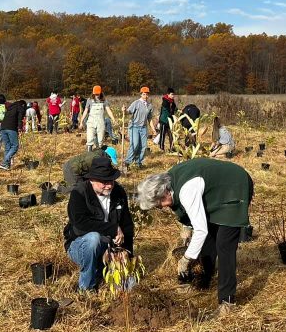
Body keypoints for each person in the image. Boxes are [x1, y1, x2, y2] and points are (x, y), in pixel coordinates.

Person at [137, 158, 253, 310]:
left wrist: (186, 259)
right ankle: (204, 280)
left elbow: (200, 230)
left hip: (234, 186)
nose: (161, 208)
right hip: (217, 191)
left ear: (164, 192)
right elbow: (195, 218)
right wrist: (186, 225)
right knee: (209, 238)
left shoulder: (186, 190)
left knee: (224, 245)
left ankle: (227, 301)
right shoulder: (169, 180)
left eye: (159, 204)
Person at [63, 154, 135, 291]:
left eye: (111, 181)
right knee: (93, 238)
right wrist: (112, 228)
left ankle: (104, 268)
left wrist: (127, 253)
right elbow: (80, 225)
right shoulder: (79, 194)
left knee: (128, 286)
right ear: (91, 180)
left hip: (108, 246)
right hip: (80, 245)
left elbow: (127, 224)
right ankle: (86, 288)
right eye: (104, 182)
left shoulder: (118, 192)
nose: (109, 186)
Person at [125, 87, 156, 169]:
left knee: (143, 146)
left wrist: (153, 129)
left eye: (147, 94)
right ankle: (128, 162)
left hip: (143, 128)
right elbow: (128, 112)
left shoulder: (149, 106)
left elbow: (149, 119)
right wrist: (124, 110)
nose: (145, 96)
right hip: (134, 126)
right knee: (135, 145)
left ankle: (138, 162)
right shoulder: (136, 103)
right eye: (144, 94)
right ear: (141, 94)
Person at [82, 85, 116, 150]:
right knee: (90, 138)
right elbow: (85, 111)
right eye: (95, 94)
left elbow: (108, 110)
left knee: (100, 140)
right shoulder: (89, 100)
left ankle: (99, 151)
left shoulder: (104, 101)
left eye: (98, 94)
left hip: (100, 122)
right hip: (91, 122)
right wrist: (81, 121)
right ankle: (89, 153)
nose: (96, 95)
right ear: (93, 93)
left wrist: (113, 119)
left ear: (100, 93)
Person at [0, 97, 25, 170]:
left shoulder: (10, 108)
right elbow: (20, 119)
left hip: (2, 128)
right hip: (11, 128)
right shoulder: (20, 108)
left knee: (7, 147)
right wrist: (20, 128)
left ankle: (6, 166)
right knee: (15, 146)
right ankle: (4, 162)